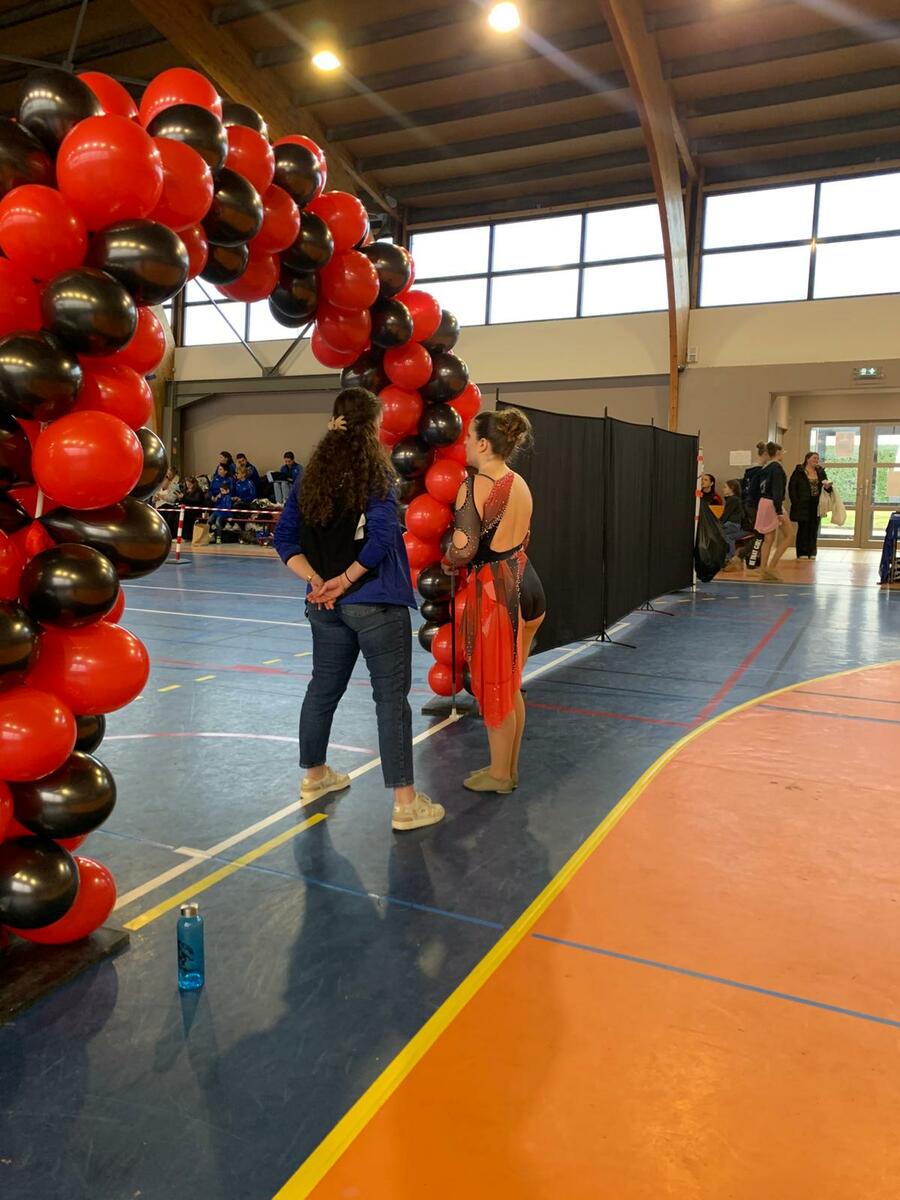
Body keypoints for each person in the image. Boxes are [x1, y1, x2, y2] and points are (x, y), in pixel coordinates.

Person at [274, 387, 443, 833]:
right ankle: (405, 803)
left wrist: (317, 581)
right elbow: (382, 538)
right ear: (372, 427)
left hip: (324, 606)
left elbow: (284, 538)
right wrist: (345, 580)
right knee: (390, 700)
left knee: (322, 689)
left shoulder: (309, 478)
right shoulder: (375, 474)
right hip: (375, 602)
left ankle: (315, 776)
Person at [444, 408, 546, 795]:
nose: (465, 443)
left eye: (470, 437)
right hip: (527, 584)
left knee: (496, 687)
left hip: (498, 592)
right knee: (512, 684)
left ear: (484, 444)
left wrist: (446, 559)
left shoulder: (474, 486)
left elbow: (464, 547)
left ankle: (500, 776)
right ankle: (507, 768)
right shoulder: (518, 483)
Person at [789, 451, 833, 559]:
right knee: (803, 528)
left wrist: (828, 487)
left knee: (814, 528)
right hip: (803, 504)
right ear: (807, 459)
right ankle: (802, 552)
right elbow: (792, 488)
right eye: (814, 458)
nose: (816, 460)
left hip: (817, 504)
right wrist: (796, 502)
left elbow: (826, 488)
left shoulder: (820, 472)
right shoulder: (799, 471)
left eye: (817, 458)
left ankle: (812, 551)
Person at [756, 442, 787, 581]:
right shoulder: (777, 468)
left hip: (763, 502)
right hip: (773, 504)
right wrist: (779, 511)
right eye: (782, 452)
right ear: (778, 453)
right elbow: (777, 491)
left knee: (768, 539)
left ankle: (764, 570)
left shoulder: (765, 468)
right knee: (789, 535)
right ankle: (771, 566)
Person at [719, 479, 746, 570]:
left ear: (732, 488)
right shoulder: (734, 499)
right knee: (729, 537)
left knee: (718, 533)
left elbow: (725, 515)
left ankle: (728, 558)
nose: (723, 489)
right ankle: (728, 558)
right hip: (734, 524)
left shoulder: (733, 499)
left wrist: (716, 524)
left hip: (732, 524)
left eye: (725, 487)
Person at [742, 442, 767, 529]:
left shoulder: (750, 469)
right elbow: (755, 489)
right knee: (758, 530)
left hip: (749, 501)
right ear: (765, 454)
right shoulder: (760, 471)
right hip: (755, 502)